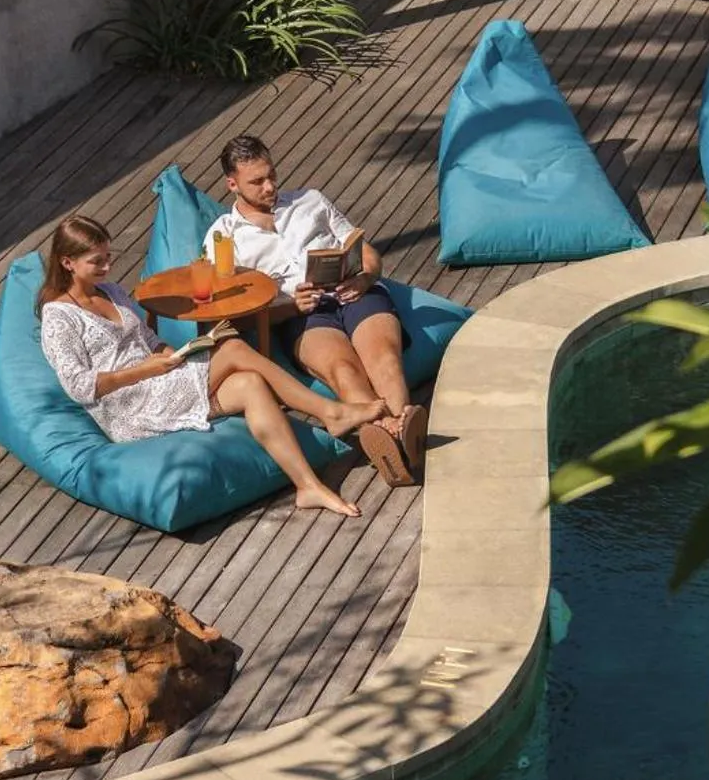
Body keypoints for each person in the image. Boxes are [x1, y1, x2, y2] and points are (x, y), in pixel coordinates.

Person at [36, 215, 383, 518]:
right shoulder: (58, 316)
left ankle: (308, 486)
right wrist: (147, 370)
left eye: (108, 257)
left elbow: (146, 337)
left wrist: (175, 353)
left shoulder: (111, 291)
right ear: (68, 263)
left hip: (159, 378)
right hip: (126, 405)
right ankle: (331, 413)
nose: (107, 267)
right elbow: (79, 386)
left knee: (250, 384)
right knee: (232, 348)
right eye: (96, 262)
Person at [204, 135, 425, 487]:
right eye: (257, 181)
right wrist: (290, 306)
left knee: (384, 356)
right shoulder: (224, 239)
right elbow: (235, 316)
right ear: (232, 184)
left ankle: (393, 437)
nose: (270, 186)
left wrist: (365, 279)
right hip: (302, 314)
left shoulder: (310, 201)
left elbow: (366, 252)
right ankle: (398, 438)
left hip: (355, 291)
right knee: (343, 369)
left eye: (272, 175)